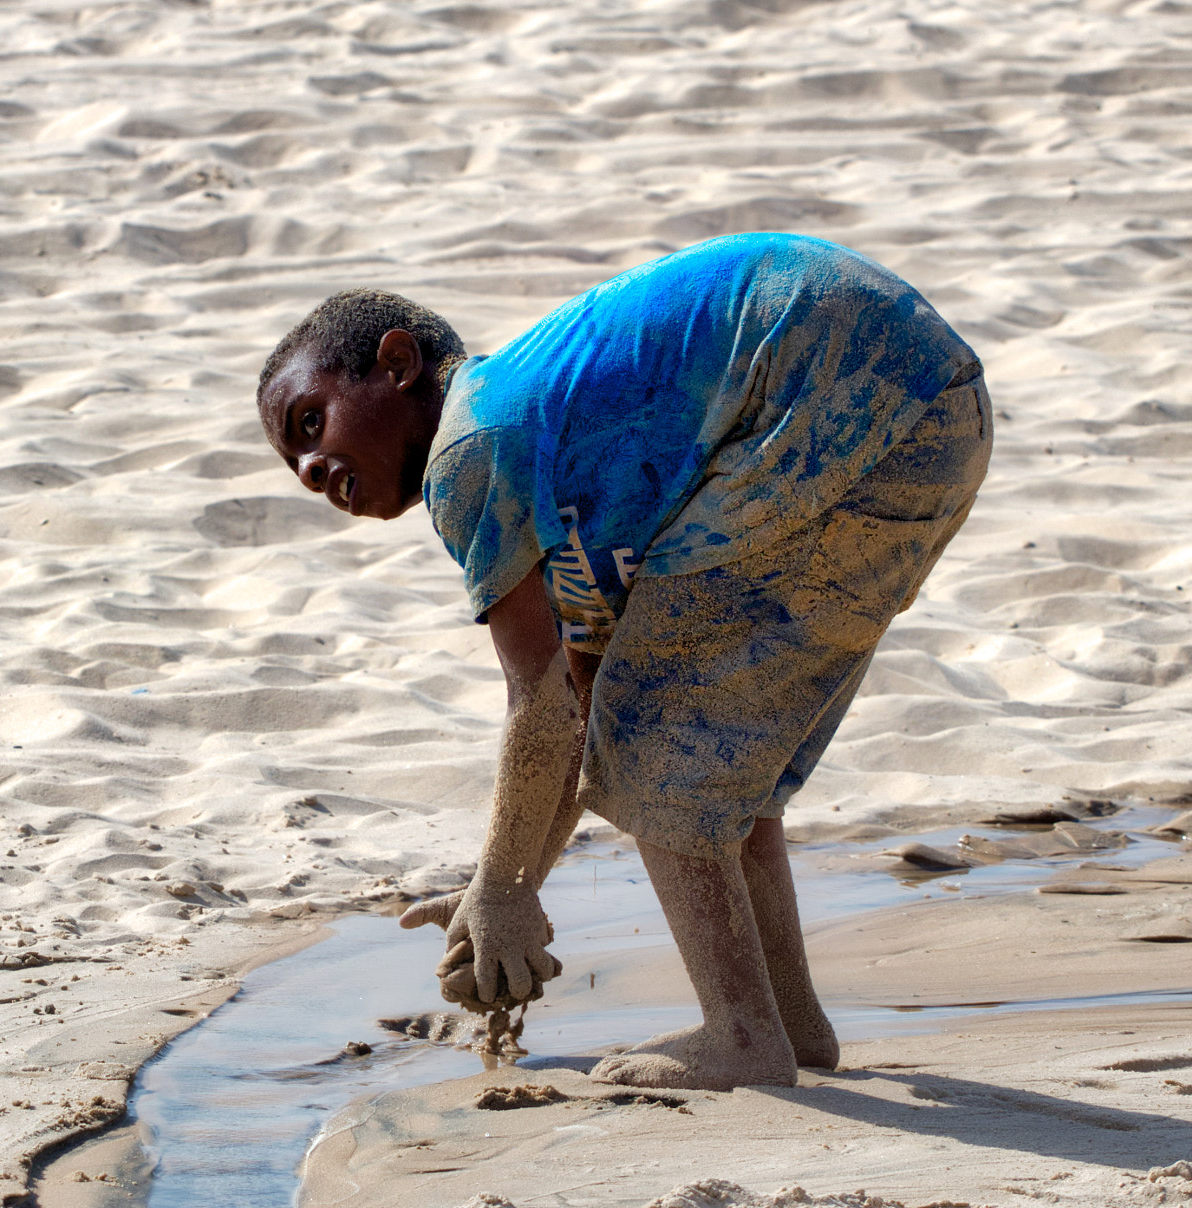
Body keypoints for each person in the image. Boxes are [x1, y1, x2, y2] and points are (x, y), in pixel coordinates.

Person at [256, 233, 990, 1090]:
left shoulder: (469, 447)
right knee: (712, 766)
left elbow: (538, 706)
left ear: (397, 364)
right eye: (296, 465)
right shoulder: (559, 455)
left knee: (663, 747)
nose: (313, 467)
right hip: (931, 412)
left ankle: (743, 1035)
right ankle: (789, 1024)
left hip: (838, 385)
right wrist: (505, 886)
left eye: (311, 422)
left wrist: (502, 890)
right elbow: (579, 712)